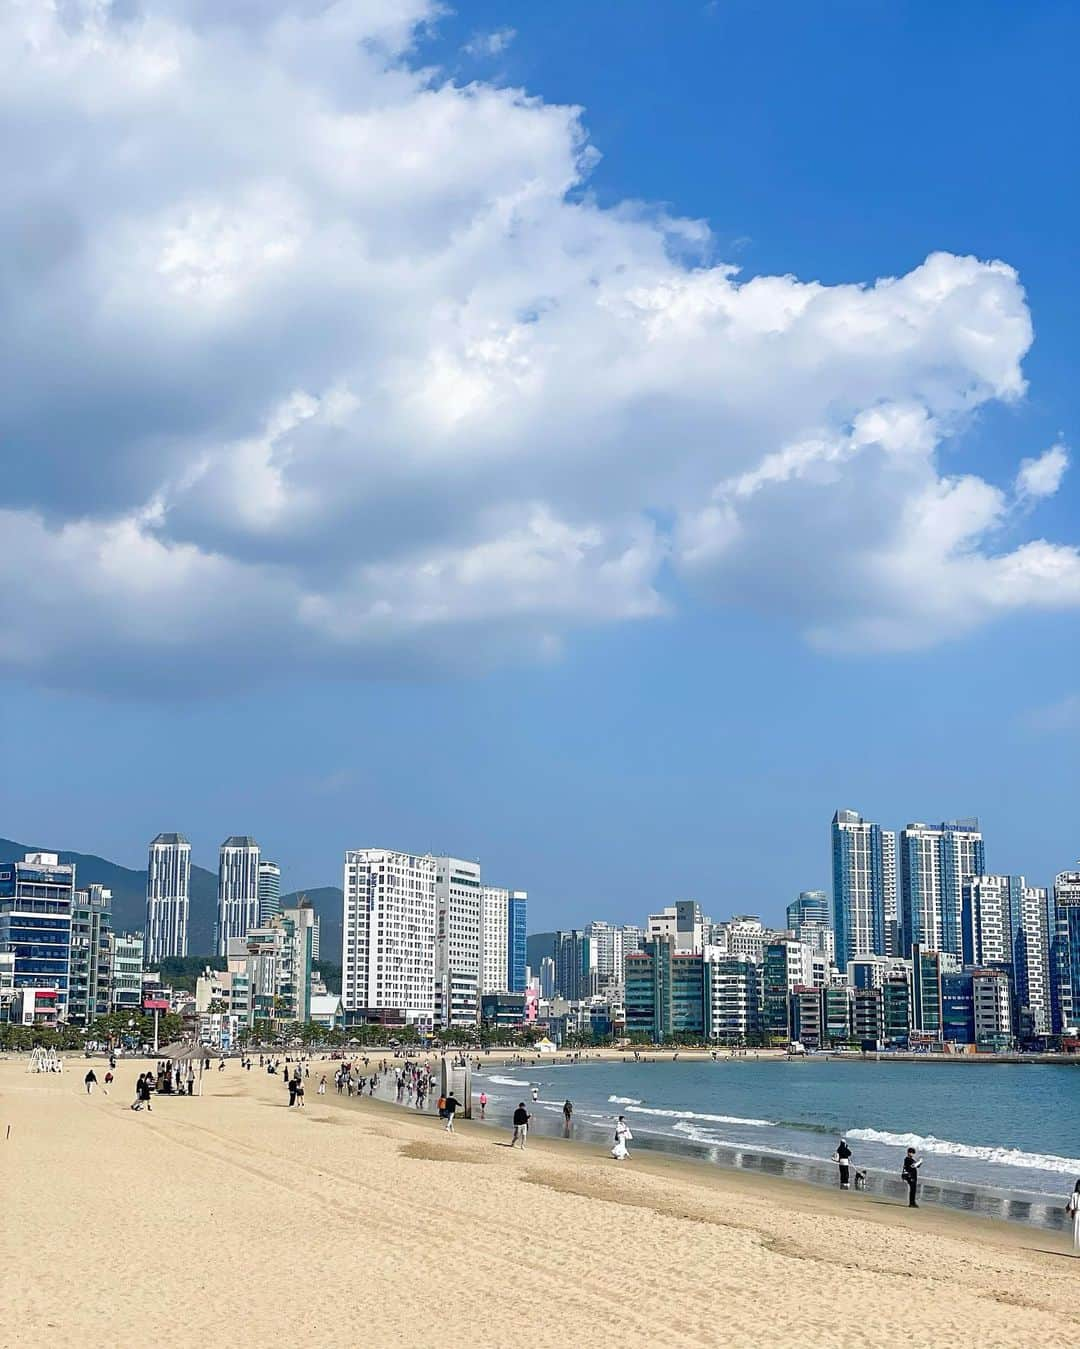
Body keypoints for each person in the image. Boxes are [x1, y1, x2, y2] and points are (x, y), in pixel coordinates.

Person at [1066, 1179, 1080, 1251]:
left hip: (1077, 1214)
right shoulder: (1074, 1195)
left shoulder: (1074, 1195)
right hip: (1077, 1213)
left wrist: (1068, 1210)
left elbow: (1071, 1206)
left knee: (1076, 1231)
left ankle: (1076, 1248)